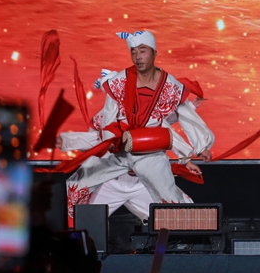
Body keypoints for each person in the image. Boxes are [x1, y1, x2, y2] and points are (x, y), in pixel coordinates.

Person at [62, 31, 214, 229]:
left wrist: (199, 148)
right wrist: (109, 142)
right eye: (133, 52)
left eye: (143, 51)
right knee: (78, 188)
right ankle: (79, 241)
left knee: (174, 205)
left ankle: (191, 238)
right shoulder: (118, 86)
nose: (138, 57)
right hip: (115, 171)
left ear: (154, 53)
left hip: (146, 167)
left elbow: (177, 119)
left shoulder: (169, 86)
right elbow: (102, 129)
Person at [60, 104, 202, 226]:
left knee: (183, 217)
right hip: (109, 184)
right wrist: (66, 142)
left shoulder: (147, 115)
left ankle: (176, 248)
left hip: (142, 184)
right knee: (83, 221)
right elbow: (92, 141)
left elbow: (168, 131)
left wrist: (186, 160)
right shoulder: (105, 118)